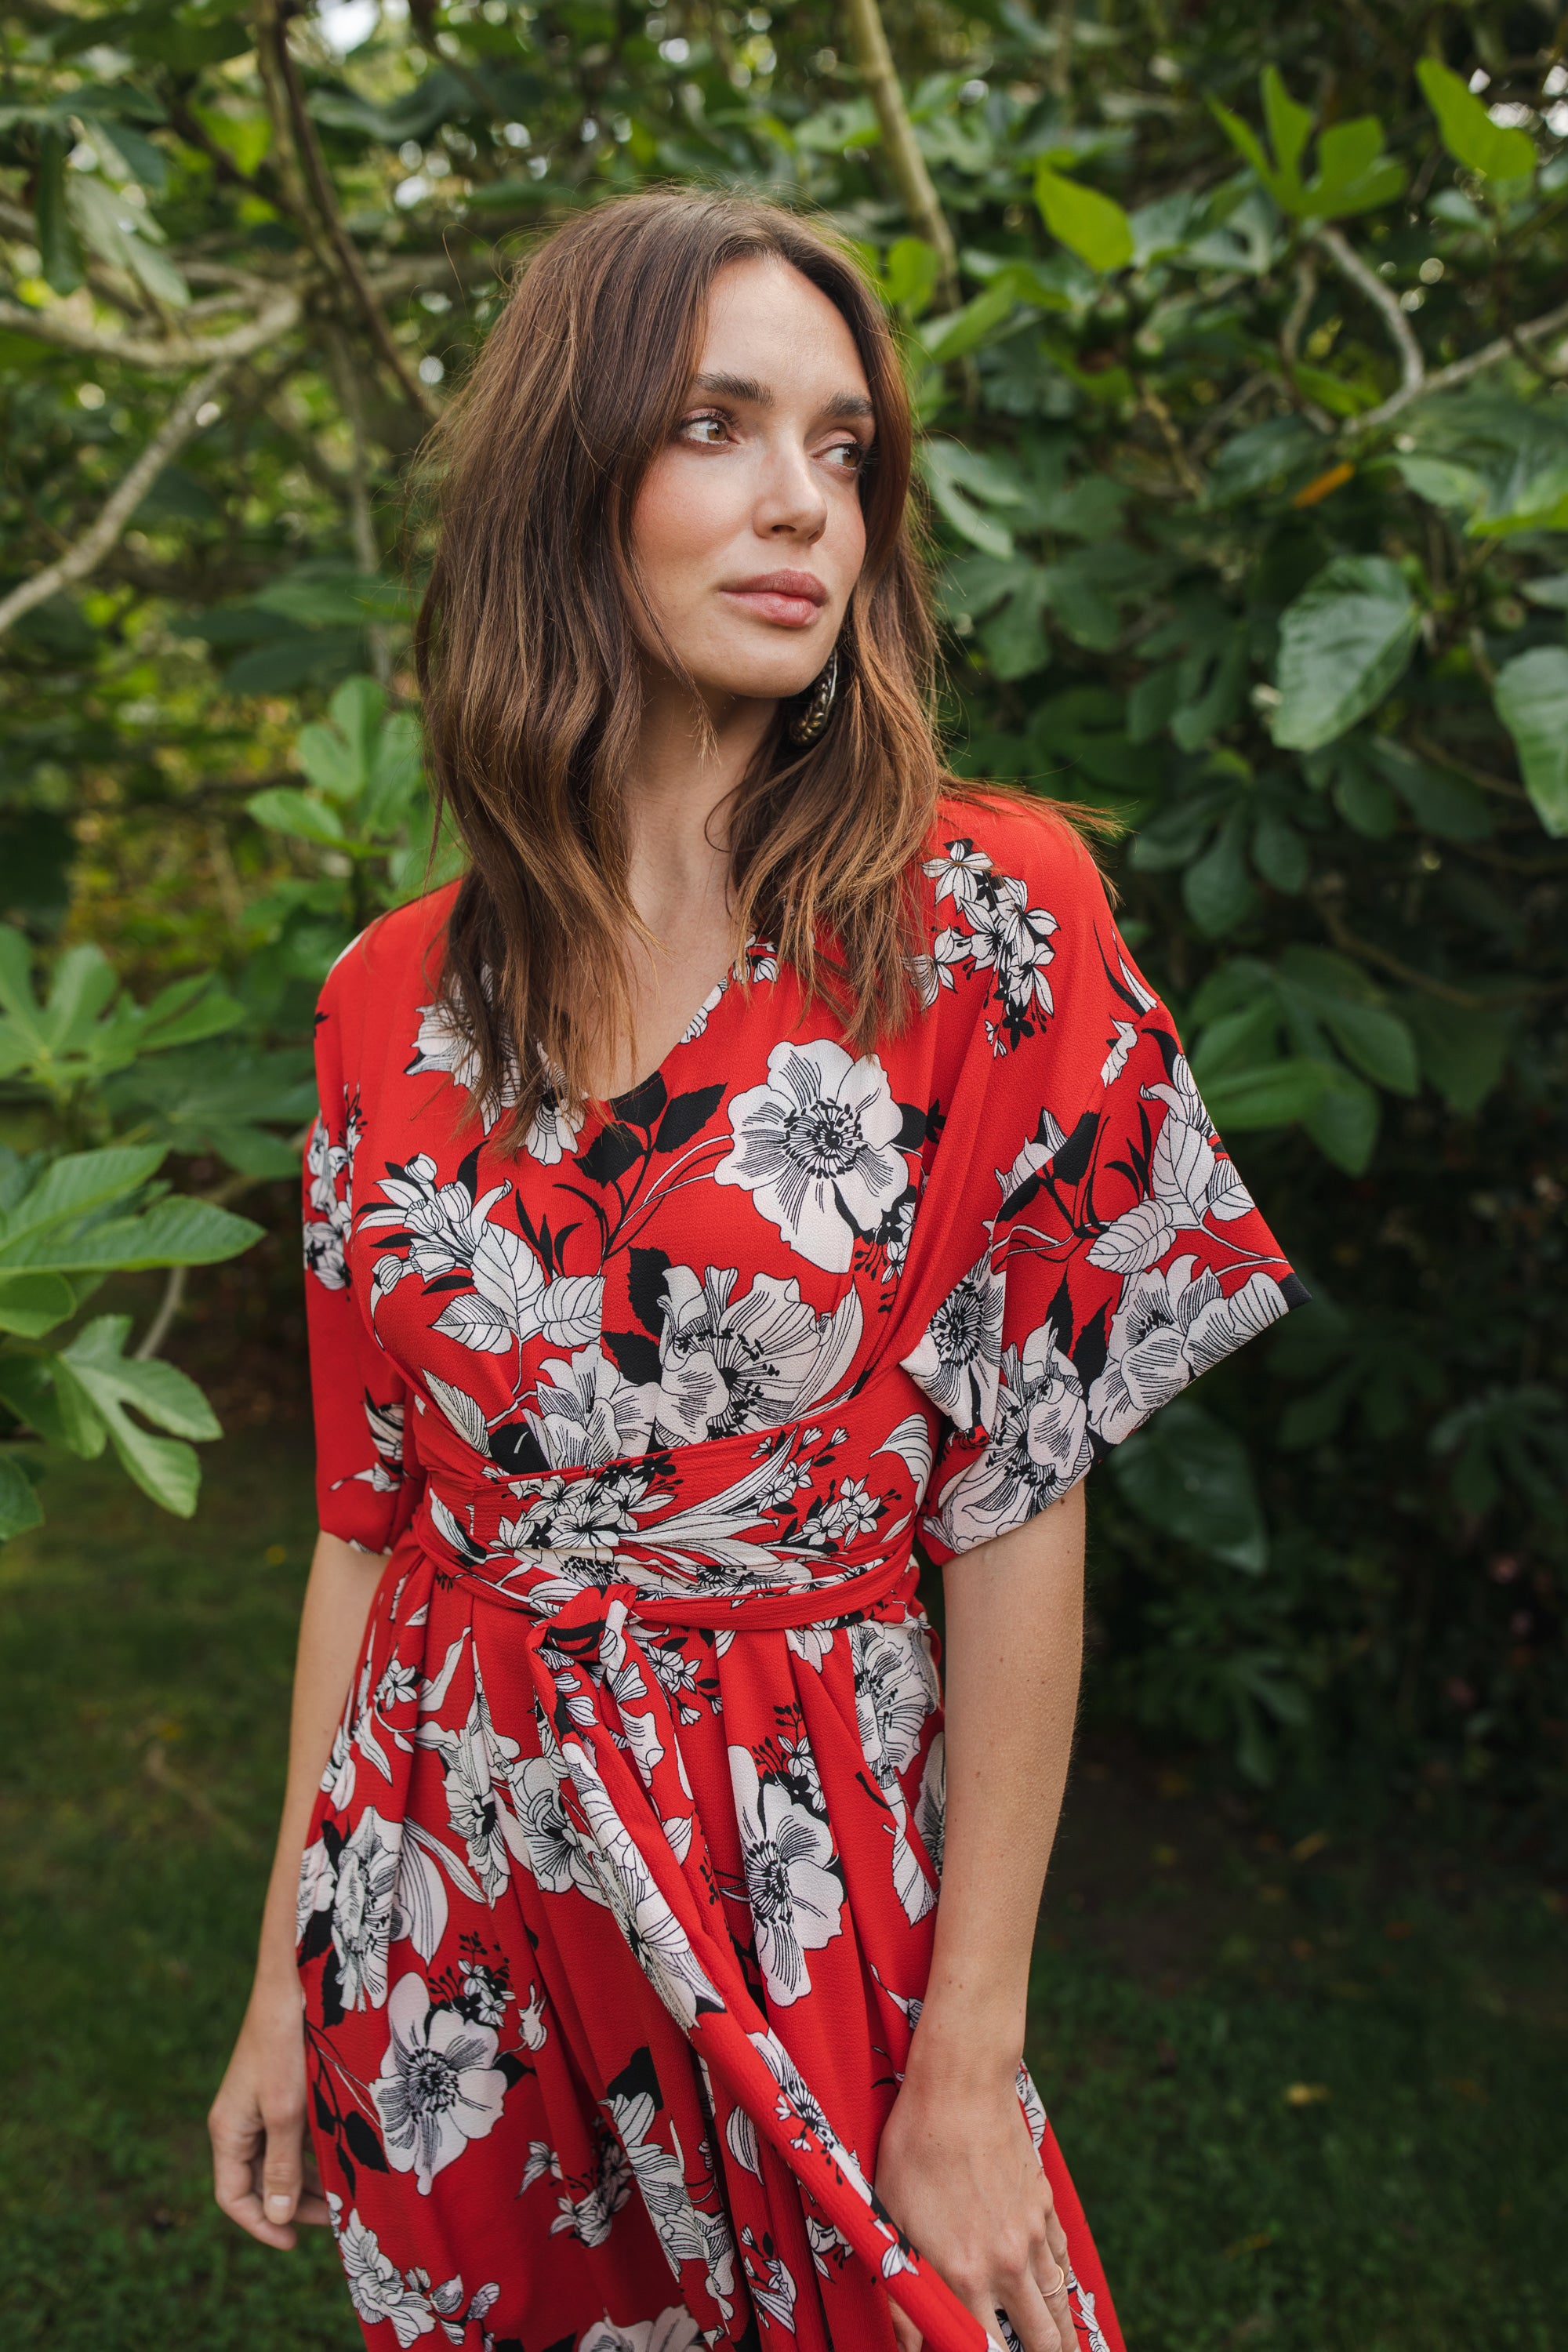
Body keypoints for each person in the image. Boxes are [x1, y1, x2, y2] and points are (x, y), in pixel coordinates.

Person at [209, 188, 1301, 2352]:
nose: (806, 501)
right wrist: (285, 1973)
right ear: (569, 476)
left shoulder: (981, 924)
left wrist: (970, 2058)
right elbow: (373, 1523)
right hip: (447, 1902)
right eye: (720, 424)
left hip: (807, 1885)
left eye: (847, 447)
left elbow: (1019, 1495)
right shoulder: (378, 1007)